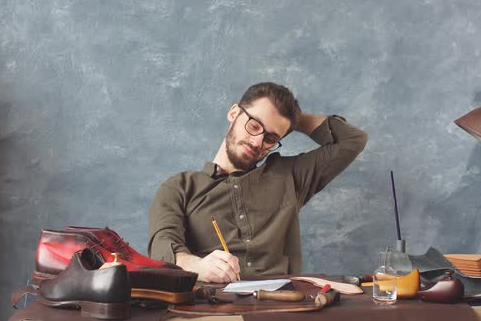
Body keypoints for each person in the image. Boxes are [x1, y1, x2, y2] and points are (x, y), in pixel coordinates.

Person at [148, 82, 367, 283]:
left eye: (271, 138)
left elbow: (352, 140)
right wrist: (195, 265)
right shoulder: (179, 187)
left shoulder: (290, 176)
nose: (257, 141)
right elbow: (162, 245)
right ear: (234, 113)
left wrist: (293, 121)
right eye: (254, 125)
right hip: (212, 305)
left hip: (282, 307)